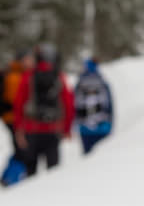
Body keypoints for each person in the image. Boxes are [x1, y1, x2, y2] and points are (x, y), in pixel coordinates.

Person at [13, 43, 74, 176]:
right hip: (53, 130)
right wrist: (67, 128)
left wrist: (19, 129)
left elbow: (18, 104)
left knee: (31, 172)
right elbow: (68, 103)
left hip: (31, 130)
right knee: (53, 172)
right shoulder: (59, 76)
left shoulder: (28, 76)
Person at [74, 58, 114, 154]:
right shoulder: (102, 82)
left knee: (88, 158)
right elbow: (109, 106)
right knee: (102, 158)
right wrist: (110, 124)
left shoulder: (80, 83)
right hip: (103, 127)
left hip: (85, 129)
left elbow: (74, 105)